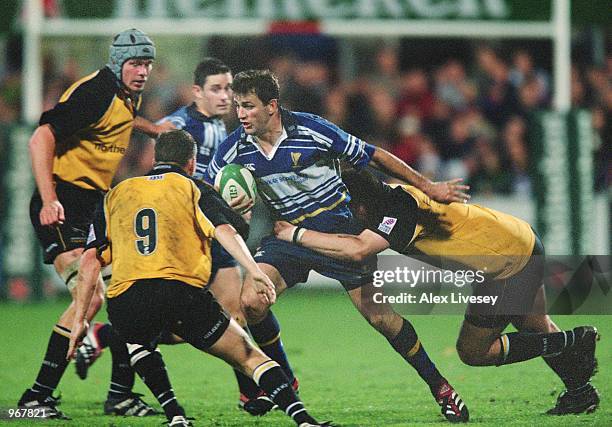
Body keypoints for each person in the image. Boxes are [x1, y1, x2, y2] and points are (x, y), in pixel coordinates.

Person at [206, 69, 471, 422]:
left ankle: (440, 387)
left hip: (338, 233)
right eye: (238, 106)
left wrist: (428, 186)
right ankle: (285, 380)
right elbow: (207, 195)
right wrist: (233, 209)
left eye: (249, 106)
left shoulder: (313, 130)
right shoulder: (233, 151)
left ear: (272, 106)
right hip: (289, 236)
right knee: (252, 302)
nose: (241, 114)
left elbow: (374, 155)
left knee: (382, 319)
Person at [274, 168, 600, 416]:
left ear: (359, 207)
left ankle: (572, 341)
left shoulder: (396, 213)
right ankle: (580, 391)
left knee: (473, 351)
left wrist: (296, 234)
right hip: (520, 240)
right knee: (534, 326)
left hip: (506, 263)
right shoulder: (392, 196)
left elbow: (359, 250)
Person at [75, 58, 299, 415]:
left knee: (219, 315)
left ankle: (115, 361)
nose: (226, 95)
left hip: (207, 225)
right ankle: (265, 383)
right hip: (185, 229)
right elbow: (158, 131)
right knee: (195, 316)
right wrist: (116, 117)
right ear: (198, 92)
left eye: (229, 88)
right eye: (217, 88)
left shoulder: (220, 126)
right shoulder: (184, 123)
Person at [67, 130, 331, 427]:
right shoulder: (194, 187)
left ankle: (175, 416)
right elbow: (227, 232)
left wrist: (80, 318)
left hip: (126, 298)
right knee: (248, 356)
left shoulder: (116, 194)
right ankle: (304, 420)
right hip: (179, 292)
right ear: (191, 163)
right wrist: (255, 270)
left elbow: (89, 260)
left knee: (139, 345)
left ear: (155, 159)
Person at [18, 28, 174, 418]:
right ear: (118, 62)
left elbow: (119, 121)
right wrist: (49, 198)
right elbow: (40, 138)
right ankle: (36, 398)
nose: (143, 71)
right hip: (64, 201)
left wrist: (152, 129)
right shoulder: (95, 91)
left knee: (127, 292)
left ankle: (120, 395)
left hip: (91, 205)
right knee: (93, 297)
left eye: (148, 64)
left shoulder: (125, 93)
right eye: (136, 63)